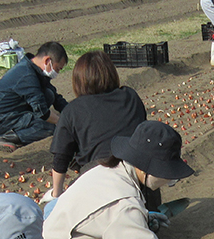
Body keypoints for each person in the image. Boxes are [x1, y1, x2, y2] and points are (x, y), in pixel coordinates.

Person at [42, 121, 214, 239]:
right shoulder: (123, 205)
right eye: (166, 173)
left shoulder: (107, 171)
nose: (169, 179)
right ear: (145, 167)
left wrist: (142, 218)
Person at [47, 51, 147, 200]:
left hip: (98, 187)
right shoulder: (130, 96)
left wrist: (57, 195)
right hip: (138, 183)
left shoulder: (73, 110)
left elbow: (61, 159)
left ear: (79, 80)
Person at [0, 41, 68, 152]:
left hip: (16, 110)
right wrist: (63, 122)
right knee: (49, 128)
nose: (57, 73)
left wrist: (71, 113)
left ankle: (26, 125)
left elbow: (56, 97)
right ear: (48, 61)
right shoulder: (26, 75)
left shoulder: (34, 69)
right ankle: (6, 139)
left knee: (49, 94)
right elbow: (42, 111)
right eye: (57, 69)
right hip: (1, 118)